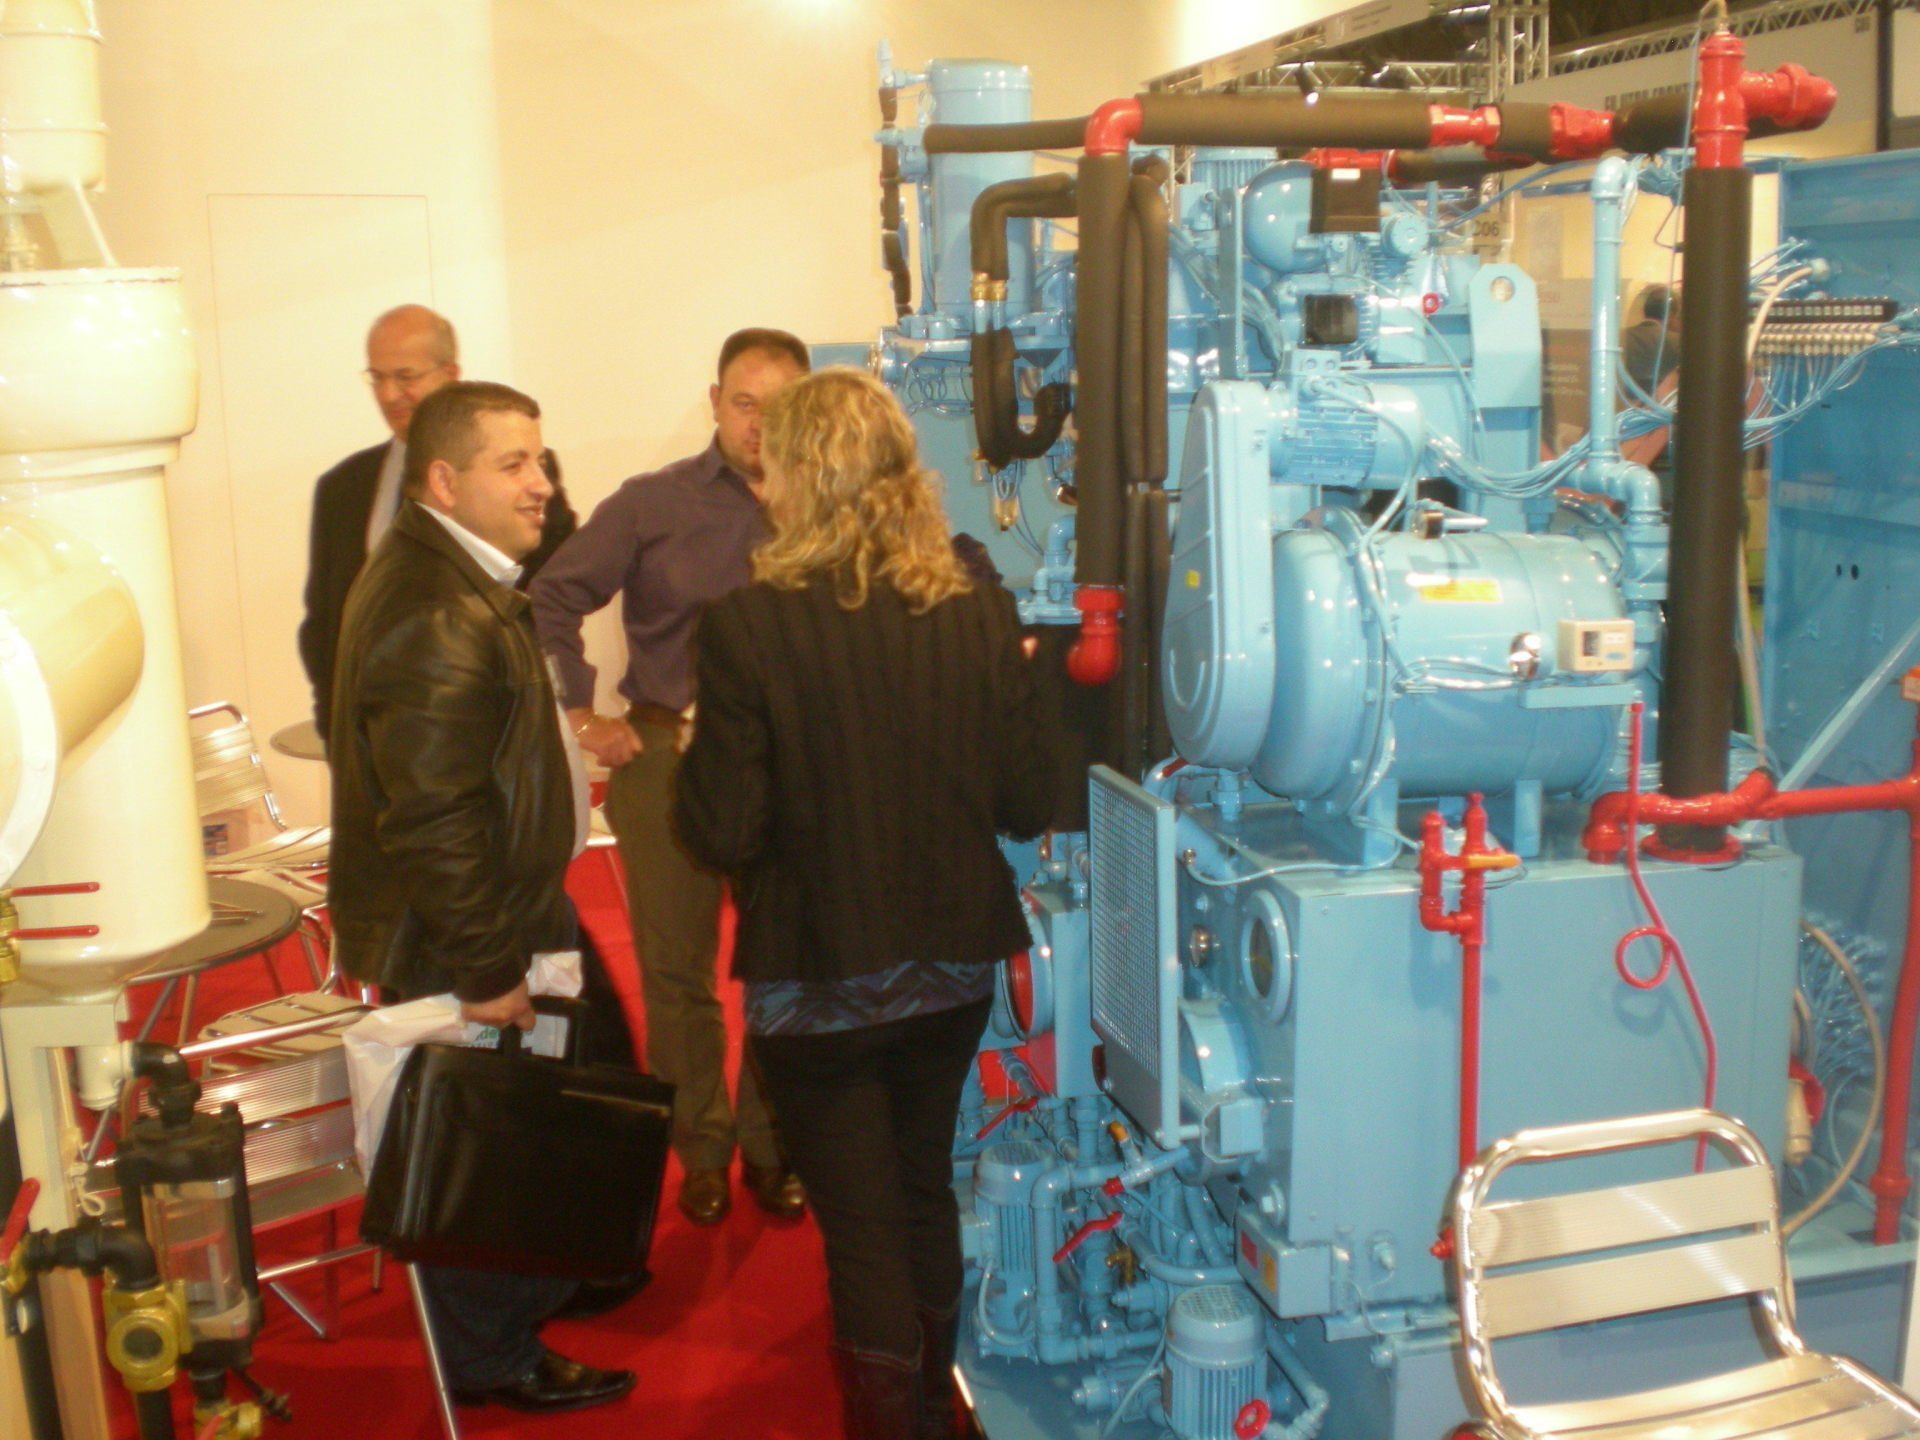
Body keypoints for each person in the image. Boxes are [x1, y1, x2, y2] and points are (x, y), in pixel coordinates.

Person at [672, 369, 1056, 1439]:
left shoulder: (747, 628)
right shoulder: (977, 609)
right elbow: (1028, 799)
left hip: (816, 976)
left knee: (864, 1230)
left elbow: (718, 832)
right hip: (952, 961)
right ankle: (933, 1410)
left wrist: (706, 745)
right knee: (925, 1189)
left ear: (792, 478)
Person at [328, 381, 635, 1416]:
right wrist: (486, 966)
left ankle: (536, 1294)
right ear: (445, 481)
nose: (541, 483)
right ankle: (490, 1354)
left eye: (540, 459)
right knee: (480, 1141)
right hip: (469, 930)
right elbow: (435, 816)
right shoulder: (436, 609)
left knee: (534, 1109)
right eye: (514, 465)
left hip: (500, 913)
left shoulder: (453, 578)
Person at [530, 328, 809, 1227]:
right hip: (667, 762)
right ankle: (702, 1150)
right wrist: (581, 714)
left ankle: (774, 1145)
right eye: (744, 403)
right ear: (715, 402)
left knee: (785, 967)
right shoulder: (654, 503)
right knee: (676, 970)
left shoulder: (830, 507)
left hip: (790, 771)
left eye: (780, 407)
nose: (759, 424)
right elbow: (551, 596)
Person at [299, 304, 576, 742]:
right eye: (377, 377)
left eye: (405, 376)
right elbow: (323, 624)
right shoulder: (341, 489)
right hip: (370, 736)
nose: (389, 394)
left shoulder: (523, 482)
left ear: (450, 374)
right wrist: (336, 727)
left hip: (492, 727)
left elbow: (551, 594)